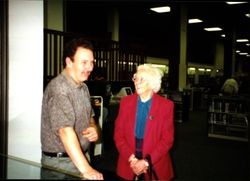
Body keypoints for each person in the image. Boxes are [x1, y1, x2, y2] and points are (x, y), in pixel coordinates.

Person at [40, 38, 103, 180]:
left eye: (92, 62)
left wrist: (93, 127)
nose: (90, 68)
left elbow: (90, 118)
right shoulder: (59, 88)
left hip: (80, 157)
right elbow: (65, 131)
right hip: (60, 166)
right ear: (69, 62)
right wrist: (87, 169)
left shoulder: (83, 87)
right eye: (84, 62)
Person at [114, 64, 175, 180]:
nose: (137, 82)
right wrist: (132, 159)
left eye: (142, 79)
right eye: (136, 78)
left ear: (152, 83)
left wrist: (146, 162)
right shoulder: (125, 103)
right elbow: (118, 135)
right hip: (129, 161)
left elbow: (167, 140)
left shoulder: (166, 106)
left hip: (155, 163)